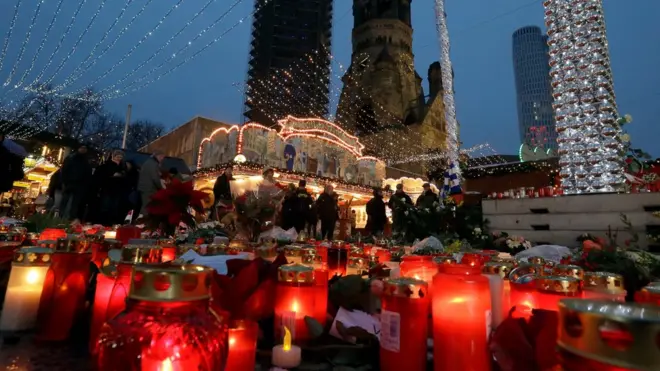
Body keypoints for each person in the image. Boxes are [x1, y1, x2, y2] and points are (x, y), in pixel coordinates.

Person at [60, 144, 93, 221]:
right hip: (70, 182)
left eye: (85, 148)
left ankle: (71, 218)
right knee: (65, 201)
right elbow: (64, 170)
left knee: (75, 203)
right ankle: (61, 217)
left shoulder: (86, 160)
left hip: (79, 185)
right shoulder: (71, 158)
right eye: (82, 148)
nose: (83, 149)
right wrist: (65, 181)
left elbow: (88, 173)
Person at [95, 150, 126, 225]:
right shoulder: (107, 165)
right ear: (113, 157)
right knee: (105, 207)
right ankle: (103, 222)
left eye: (120, 157)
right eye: (118, 157)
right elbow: (102, 176)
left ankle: (110, 222)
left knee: (114, 207)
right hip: (107, 189)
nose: (119, 158)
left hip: (117, 190)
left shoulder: (122, 166)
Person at [138, 151, 165, 217]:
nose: (162, 159)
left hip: (144, 187)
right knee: (148, 206)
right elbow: (155, 178)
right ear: (158, 156)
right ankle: (142, 222)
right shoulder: (154, 164)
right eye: (162, 157)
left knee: (145, 205)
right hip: (150, 189)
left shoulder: (147, 162)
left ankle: (141, 221)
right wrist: (161, 187)